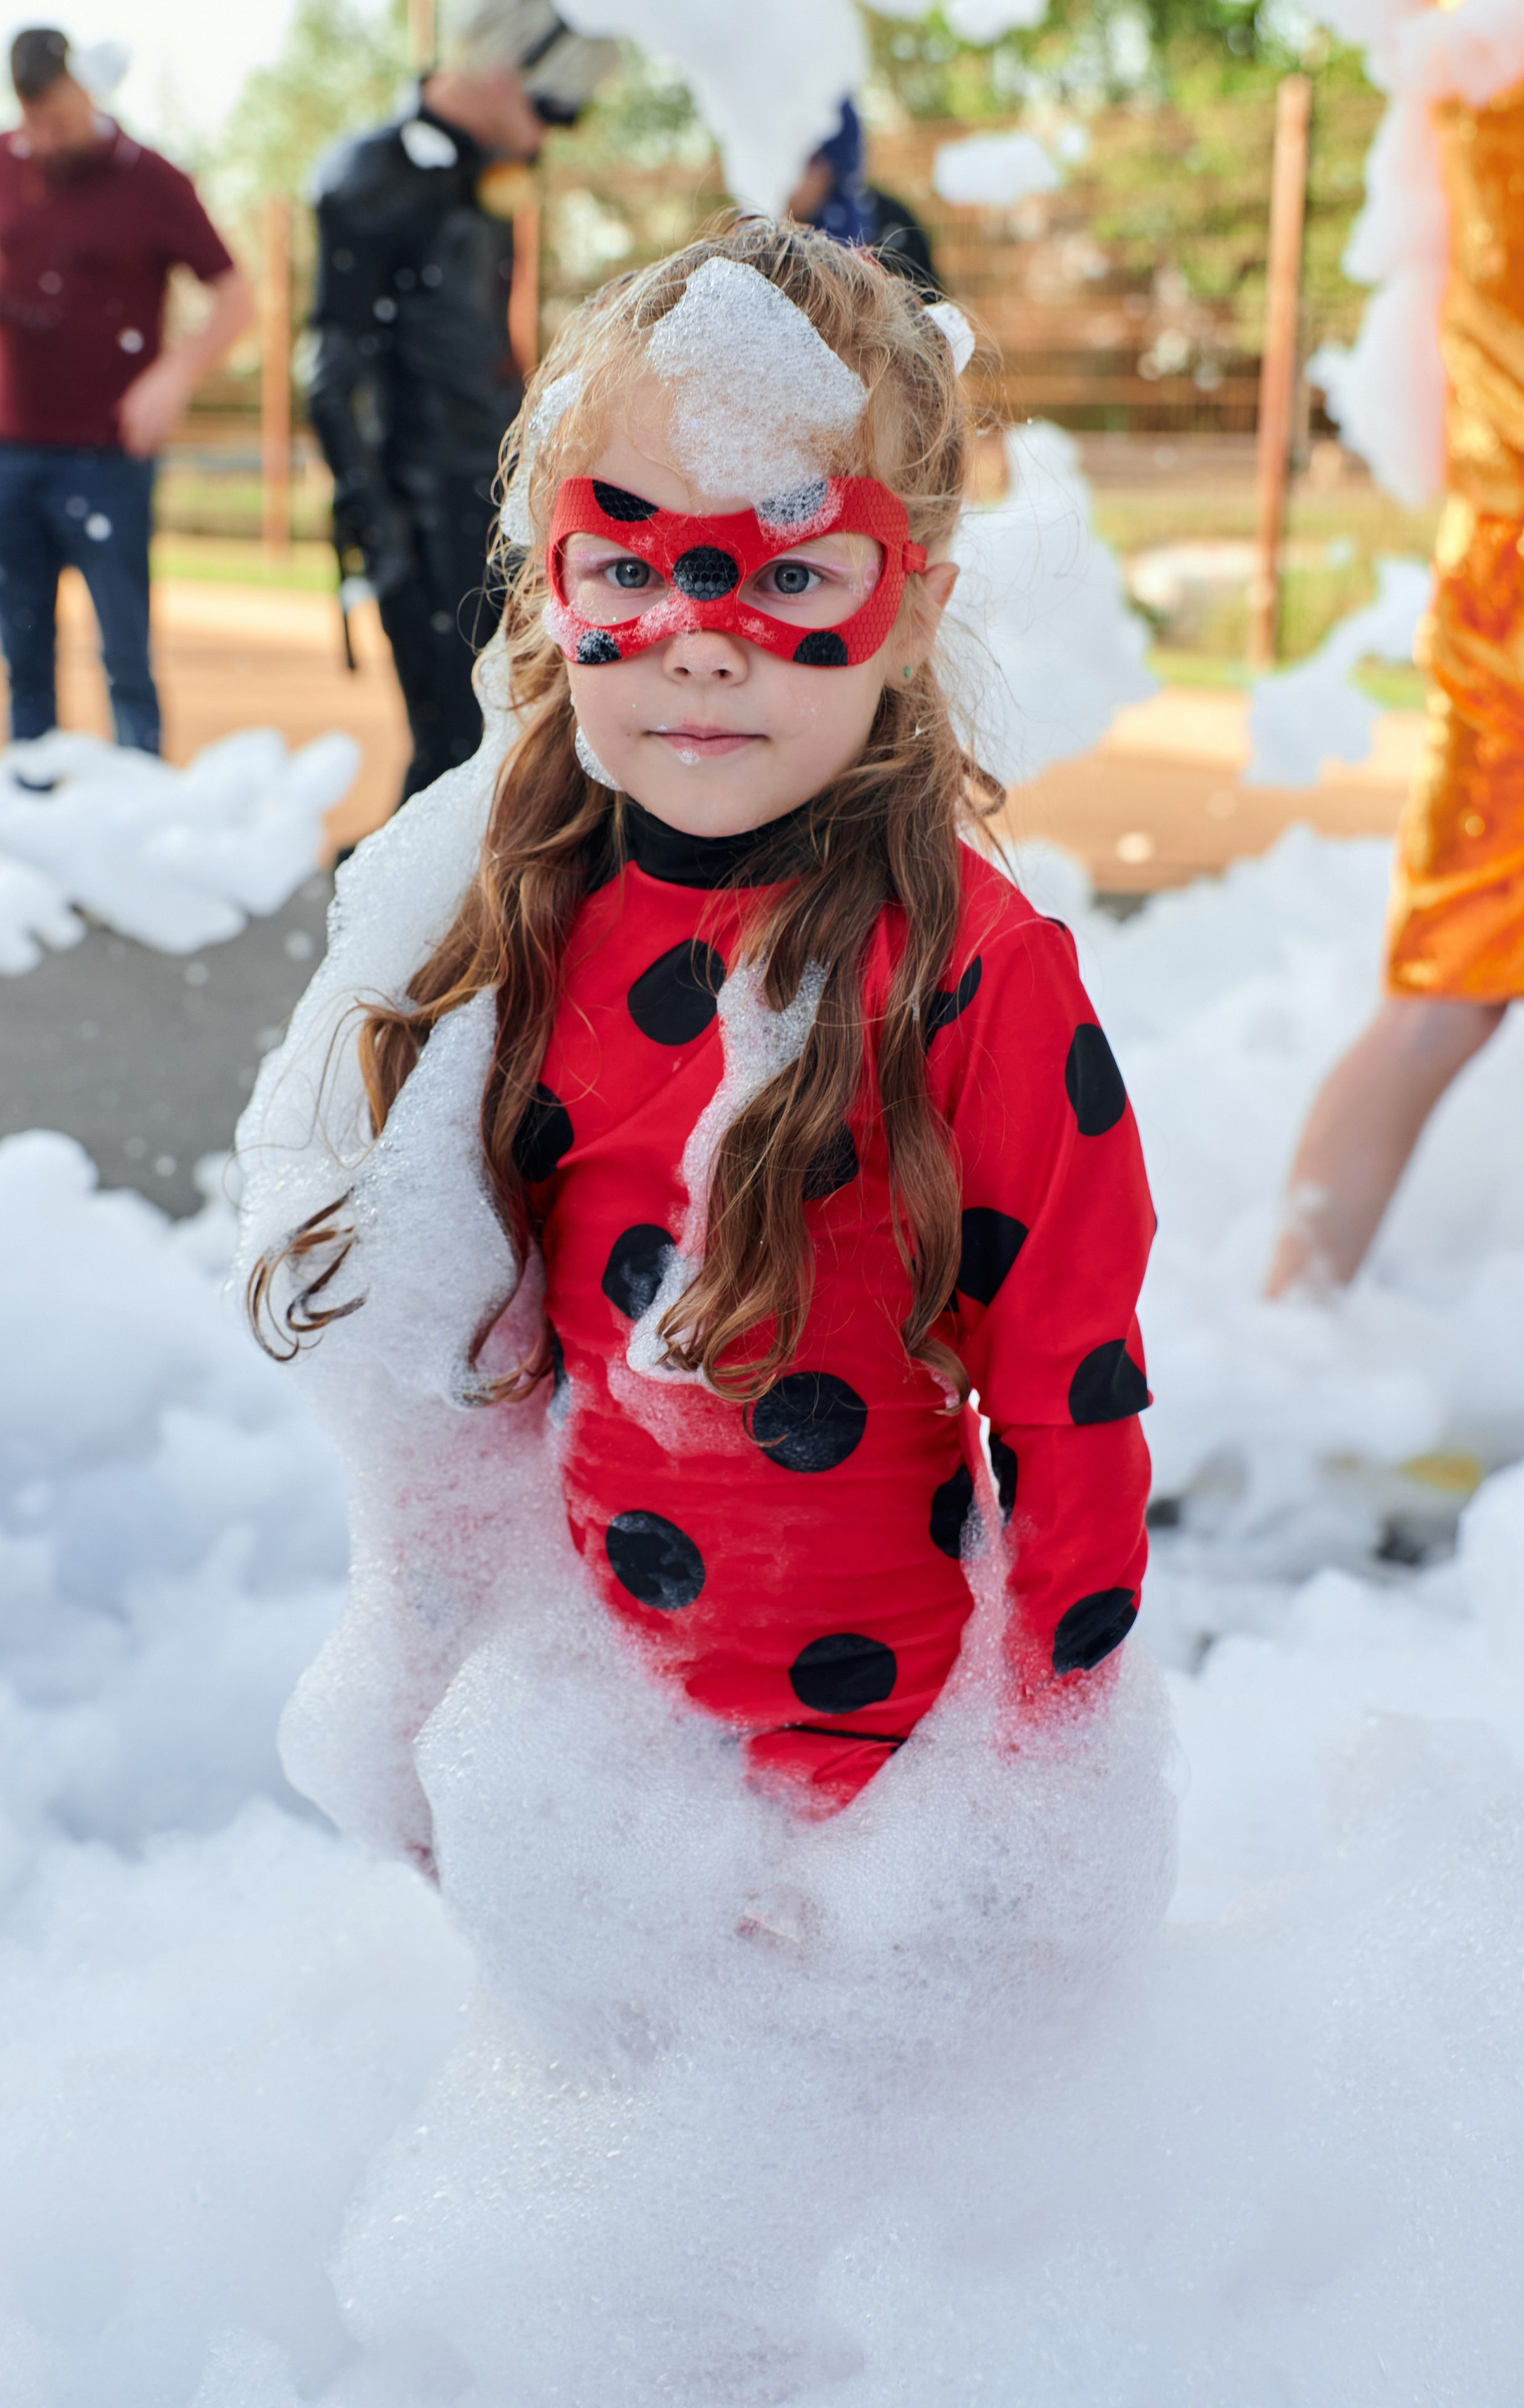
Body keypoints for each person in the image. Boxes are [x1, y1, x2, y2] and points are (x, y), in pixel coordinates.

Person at [247, 219, 1154, 1826]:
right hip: (585, 1756)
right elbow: (469, 1402)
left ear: (911, 605)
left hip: (879, 1788)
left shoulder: (973, 972)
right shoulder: (520, 907)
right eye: (632, 564)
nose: (705, 637)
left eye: (793, 570)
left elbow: (1069, 1404)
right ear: (555, 581)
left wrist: (1034, 1789)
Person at [1266, 73, 1524, 1297]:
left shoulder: (1474, 68)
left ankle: (1284, 1324)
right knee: (1440, 995)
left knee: (1441, 992)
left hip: (1500, 579)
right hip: (1508, 594)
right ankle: (1281, 1331)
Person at [307, 3, 616, 807]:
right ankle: (406, 910)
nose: (546, 138)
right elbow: (332, 370)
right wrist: (374, 513)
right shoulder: (367, 178)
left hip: (495, 494)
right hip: (417, 503)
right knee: (454, 736)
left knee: (517, 726)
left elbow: (485, 349)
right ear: (505, 69)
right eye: (550, 110)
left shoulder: (483, 181)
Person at [0, 26, 253, 755]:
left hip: (109, 456)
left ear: (86, 89)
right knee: (22, 657)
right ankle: (33, 807)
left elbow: (236, 297)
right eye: (32, 121)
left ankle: (136, 820)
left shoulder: (153, 180)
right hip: (8, 451)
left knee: (125, 657)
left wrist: (174, 374)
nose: (45, 136)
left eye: (59, 118)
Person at [786, 98, 942, 298]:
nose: (788, 183)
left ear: (829, 168)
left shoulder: (894, 230)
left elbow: (931, 312)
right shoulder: (761, 236)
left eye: (805, 164)